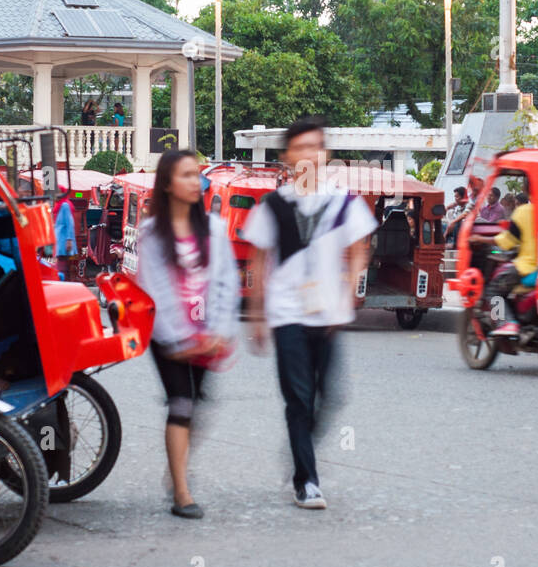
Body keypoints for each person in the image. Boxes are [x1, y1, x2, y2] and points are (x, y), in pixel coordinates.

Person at [245, 117, 376, 510]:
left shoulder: (343, 202)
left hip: (329, 314)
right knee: (298, 400)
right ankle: (307, 480)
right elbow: (258, 259)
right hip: (287, 314)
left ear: (326, 155)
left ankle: (299, 448)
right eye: (300, 148)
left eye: (316, 147)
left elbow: (359, 249)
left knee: (331, 397)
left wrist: (350, 289)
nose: (309, 155)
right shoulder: (274, 204)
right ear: (287, 156)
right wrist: (257, 316)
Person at [134, 150, 240, 519]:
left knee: (199, 405)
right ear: (167, 184)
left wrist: (218, 331)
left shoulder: (212, 228)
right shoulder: (151, 234)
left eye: (198, 175)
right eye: (186, 175)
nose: (196, 182)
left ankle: (175, 468)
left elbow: (227, 282)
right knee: (181, 402)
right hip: (168, 337)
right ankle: (181, 491)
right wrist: (180, 339)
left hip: (208, 334)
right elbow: (154, 289)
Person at [477, 198, 536, 338]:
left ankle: (504, 322)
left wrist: (480, 239)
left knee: (492, 289)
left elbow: (507, 241)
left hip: (528, 266)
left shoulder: (524, 212)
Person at [53, 187, 78, 281]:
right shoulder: (59, 205)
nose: (56, 195)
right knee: (62, 263)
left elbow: (70, 223)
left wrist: (69, 240)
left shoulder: (64, 205)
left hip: (64, 240)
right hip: (60, 239)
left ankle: (62, 282)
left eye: (58, 192)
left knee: (62, 264)